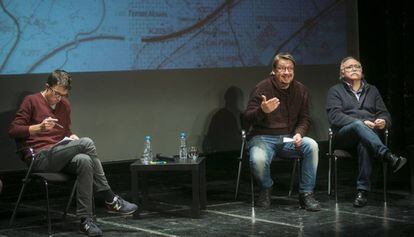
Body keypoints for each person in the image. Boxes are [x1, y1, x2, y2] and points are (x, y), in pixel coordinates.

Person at [8, 70, 138, 236]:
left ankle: (85, 221)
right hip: (39, 157)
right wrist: (37, 128)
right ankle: (110, 198)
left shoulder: (64, 105)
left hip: (59, 154)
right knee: (87, 142)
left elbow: (64, 131)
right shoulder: (31, 101)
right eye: (56, 94)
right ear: (47, 87)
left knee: (84, 160)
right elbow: (13, 131)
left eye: (64, 95)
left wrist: (70, 137)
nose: (59, 98)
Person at [326, 56, 407, 207]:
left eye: (357, 66)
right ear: (342, 73)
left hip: (368, 137)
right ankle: (387, 155)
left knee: (365, 144)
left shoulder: (372, 90)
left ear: (362, 71)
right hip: (344, 136)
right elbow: (335, 116)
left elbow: (385, 114)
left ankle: (362, 192)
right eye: (350, 67)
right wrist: (362, 122)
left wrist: (383, 122)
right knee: (357, 125)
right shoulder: (335, 91)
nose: (354, 69)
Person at [244, 53, 320, 211]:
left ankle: (306, 194)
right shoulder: (262, 88)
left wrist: (299, 133)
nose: (287, 72)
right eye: (282, 69)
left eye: (290, 69)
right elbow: (247, 118)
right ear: (274, 71)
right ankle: (266, 188)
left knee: (311, 145)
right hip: (262, 137)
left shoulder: (300, 90)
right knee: (257, 160)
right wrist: (262, 111)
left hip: (288, 139)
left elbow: (305, 118)